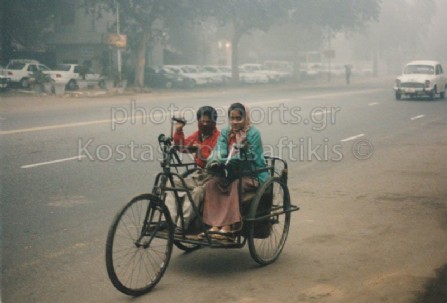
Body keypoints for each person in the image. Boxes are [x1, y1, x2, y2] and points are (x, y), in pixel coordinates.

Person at [201, 102, 269, 240]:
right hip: (231, 172)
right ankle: (214, 226)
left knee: (234, 186)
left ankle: (228, 227)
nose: (235, 122)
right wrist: (216, 161)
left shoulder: (253, 133)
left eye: (239, 118)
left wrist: (227, 162)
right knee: (211, 185)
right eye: (232, 118)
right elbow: (219, 148)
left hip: (252, 173)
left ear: (246, 118)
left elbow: (248, 156)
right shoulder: (226, 131)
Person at [165, 106, 220, 231]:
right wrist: (179, 131)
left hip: (214, 177)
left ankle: (181, 225)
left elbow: (215, 161)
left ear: (214, 122)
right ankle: (170, 221)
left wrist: (201, 149)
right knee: (172, 183)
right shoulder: (199, 135)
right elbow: (181, 146)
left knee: (197, 192)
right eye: (202, 122)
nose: (205, 124)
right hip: (200, 174)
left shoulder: (219, 138)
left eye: (208, 122)